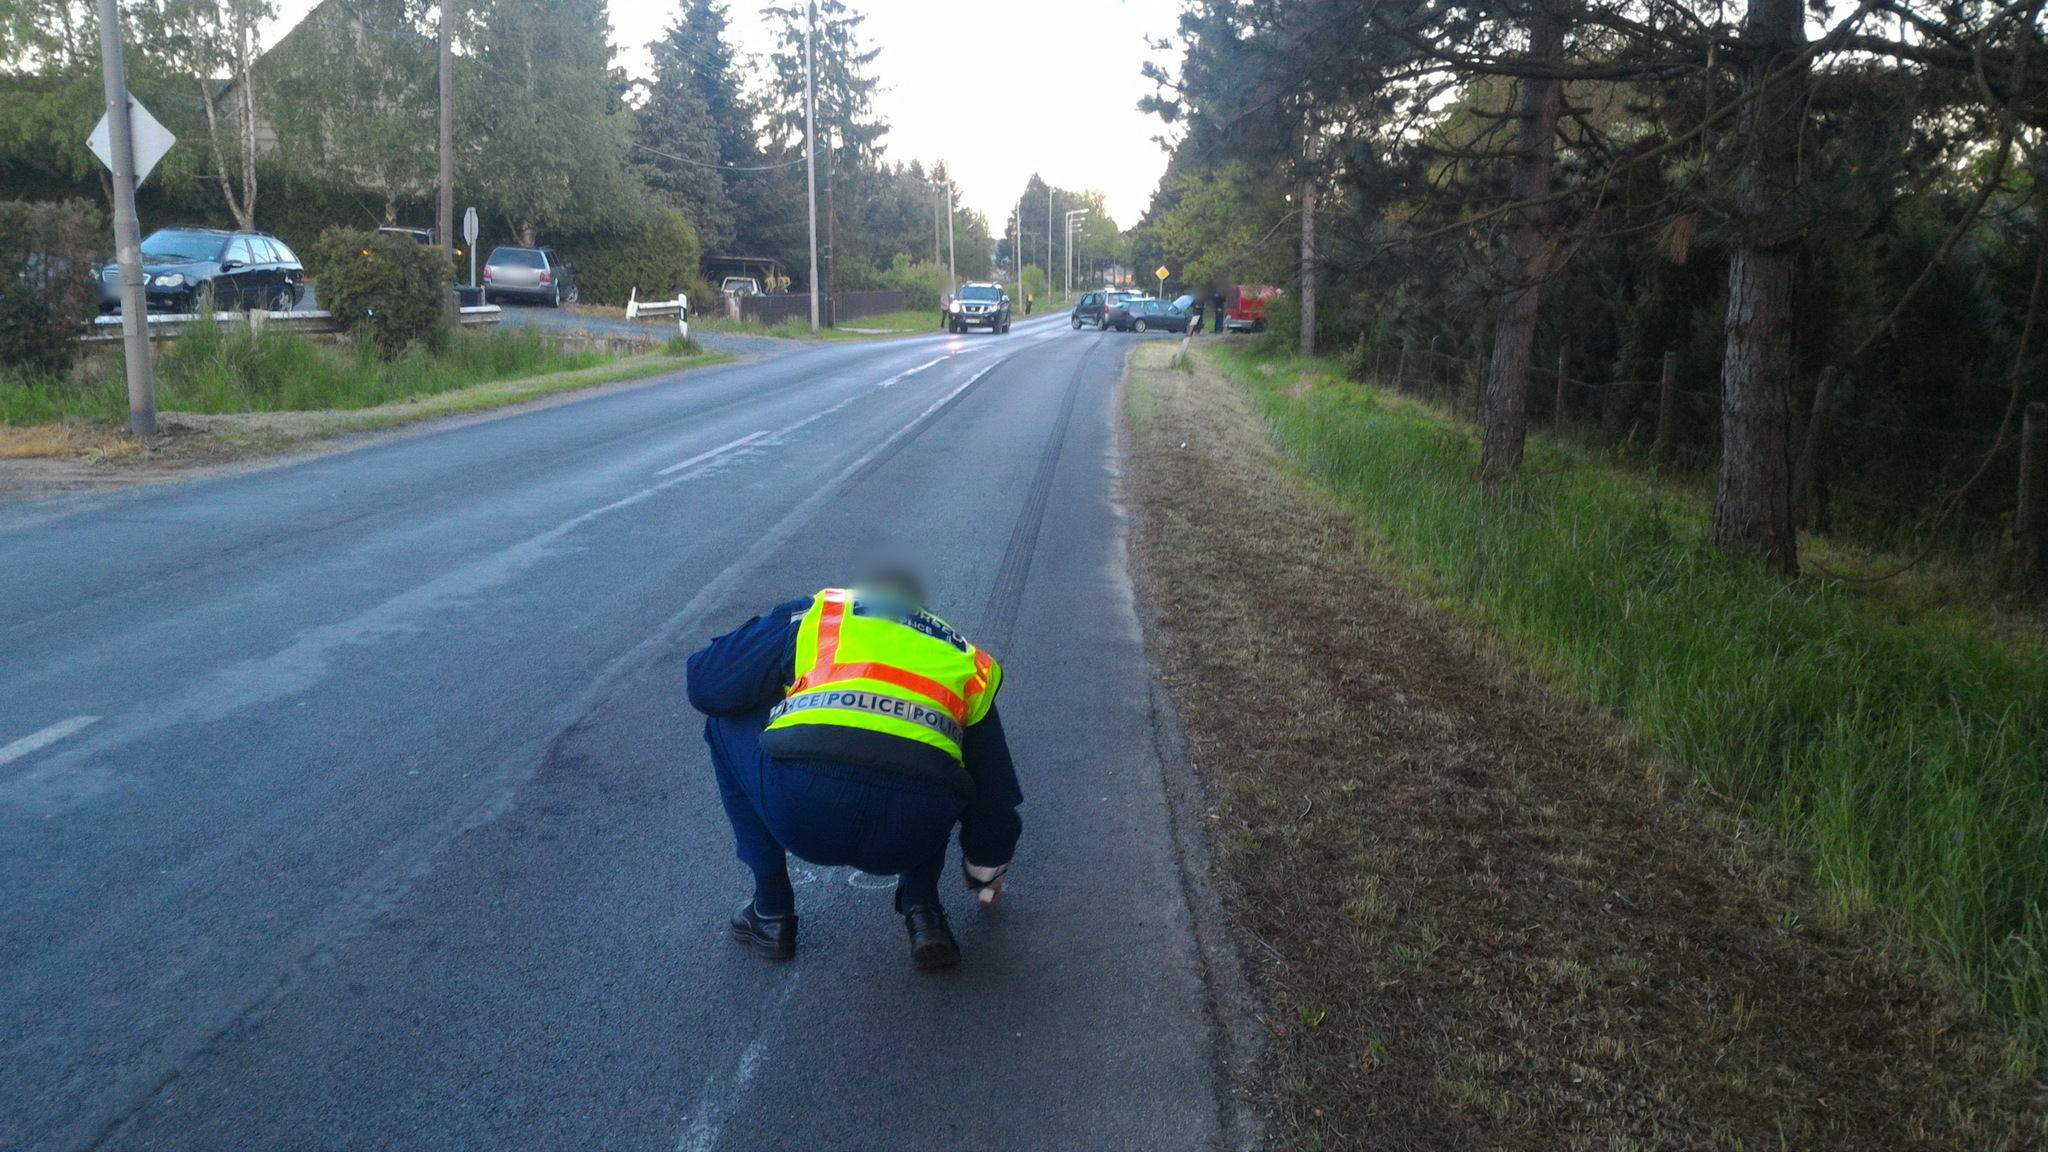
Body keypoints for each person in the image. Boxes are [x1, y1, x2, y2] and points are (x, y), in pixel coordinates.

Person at [686, 571, 1022, 971]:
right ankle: (924, 911)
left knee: (722, 722)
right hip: (910, 833)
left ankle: (771, 910)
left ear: (861, 594)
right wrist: (985, 872)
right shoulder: (965, 659)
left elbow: (707, 683)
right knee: (937, 761)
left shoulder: (825, 613)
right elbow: (994, 794)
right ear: (925, 615)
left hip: (805, 813)